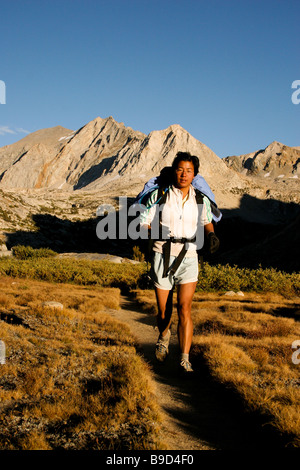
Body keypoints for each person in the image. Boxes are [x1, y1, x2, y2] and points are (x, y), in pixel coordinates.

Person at [140, 151, 218, 373]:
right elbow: (142, 222)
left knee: (185, 308)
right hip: (162, 254)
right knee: (164, 311)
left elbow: (207, 221)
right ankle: (164, 334)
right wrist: (152, 231)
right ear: (174, 171)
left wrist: (211, 235)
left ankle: (185, 359)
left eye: (189, 170)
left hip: (189, 255)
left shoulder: (200, 199)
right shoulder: (159, 196)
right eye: (180, 169)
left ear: (195, 174)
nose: (184, 174)